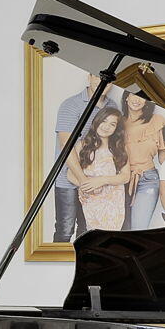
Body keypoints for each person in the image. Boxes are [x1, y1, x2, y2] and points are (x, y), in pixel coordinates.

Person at [48, 79, 110, 244]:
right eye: (97, 76)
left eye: (108, 81)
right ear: (89, 77)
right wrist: (82, 180)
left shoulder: (112, 107)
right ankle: (57, 269)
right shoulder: (71, 105)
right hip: (67, 179)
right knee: (65, 228)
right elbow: (65, 146)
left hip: (95, 181)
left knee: (88, 229)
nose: (102, 82)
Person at [68, 108, 130, 233]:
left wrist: (101, 180)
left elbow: (125, 176)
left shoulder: (119, 147)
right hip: (91, 199)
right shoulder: (82, 145)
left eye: (112, 124)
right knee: (94, 234)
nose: (106, 127)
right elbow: (70, 174)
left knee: (111, 235)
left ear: (116, 129)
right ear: (97, 121)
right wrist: (85, 186)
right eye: (104, 121)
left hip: (113, 201)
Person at [120, 92, 165, 229]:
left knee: (138, 228)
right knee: (120, 229)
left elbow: (163, 155)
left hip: (147, 179)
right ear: (126, 97)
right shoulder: (117, 122)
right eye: (133, 94)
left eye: (142, 96)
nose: (137, 99)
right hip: (120, 180)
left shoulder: (157, 121)